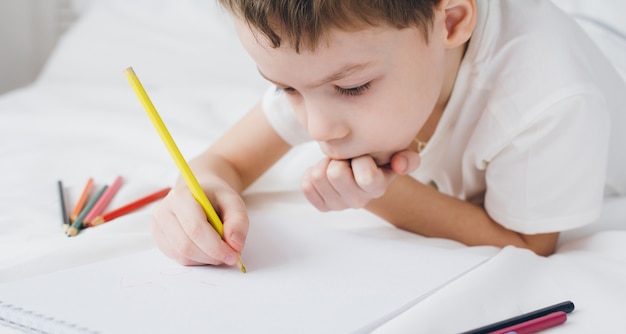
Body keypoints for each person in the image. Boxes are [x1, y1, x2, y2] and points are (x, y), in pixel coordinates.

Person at [151, 0, 626, 266]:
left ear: (452, 21)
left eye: (352, 88)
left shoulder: (548, 99)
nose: (318, 129)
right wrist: (201, 189)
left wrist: (379, 195)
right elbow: (225, 163)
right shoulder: (329, 62)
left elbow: (530, 244)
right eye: (284, 87)